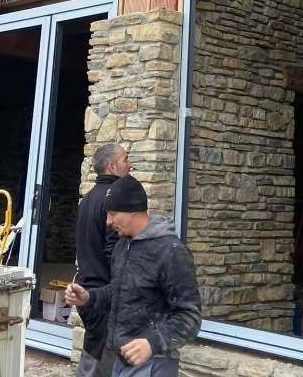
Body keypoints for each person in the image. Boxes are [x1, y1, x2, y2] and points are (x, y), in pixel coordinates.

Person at [66, 175, 202, 377]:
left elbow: (190, 316)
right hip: (120, 360)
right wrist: (88, 297)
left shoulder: (171, 251)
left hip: (154, 363)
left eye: (113, 214)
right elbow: (119, 291)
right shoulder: (123, 245)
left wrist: (152, 343)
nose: (108, 221)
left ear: (133, 211)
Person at [74, 144, 133, 377]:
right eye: (125, 159)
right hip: (103, 295)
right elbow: (113, 252)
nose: (130, 164)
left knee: (96, 359)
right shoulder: (113, 200)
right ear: (112, 166)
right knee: (98, 366)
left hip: (89, 289)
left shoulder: (88, 199)